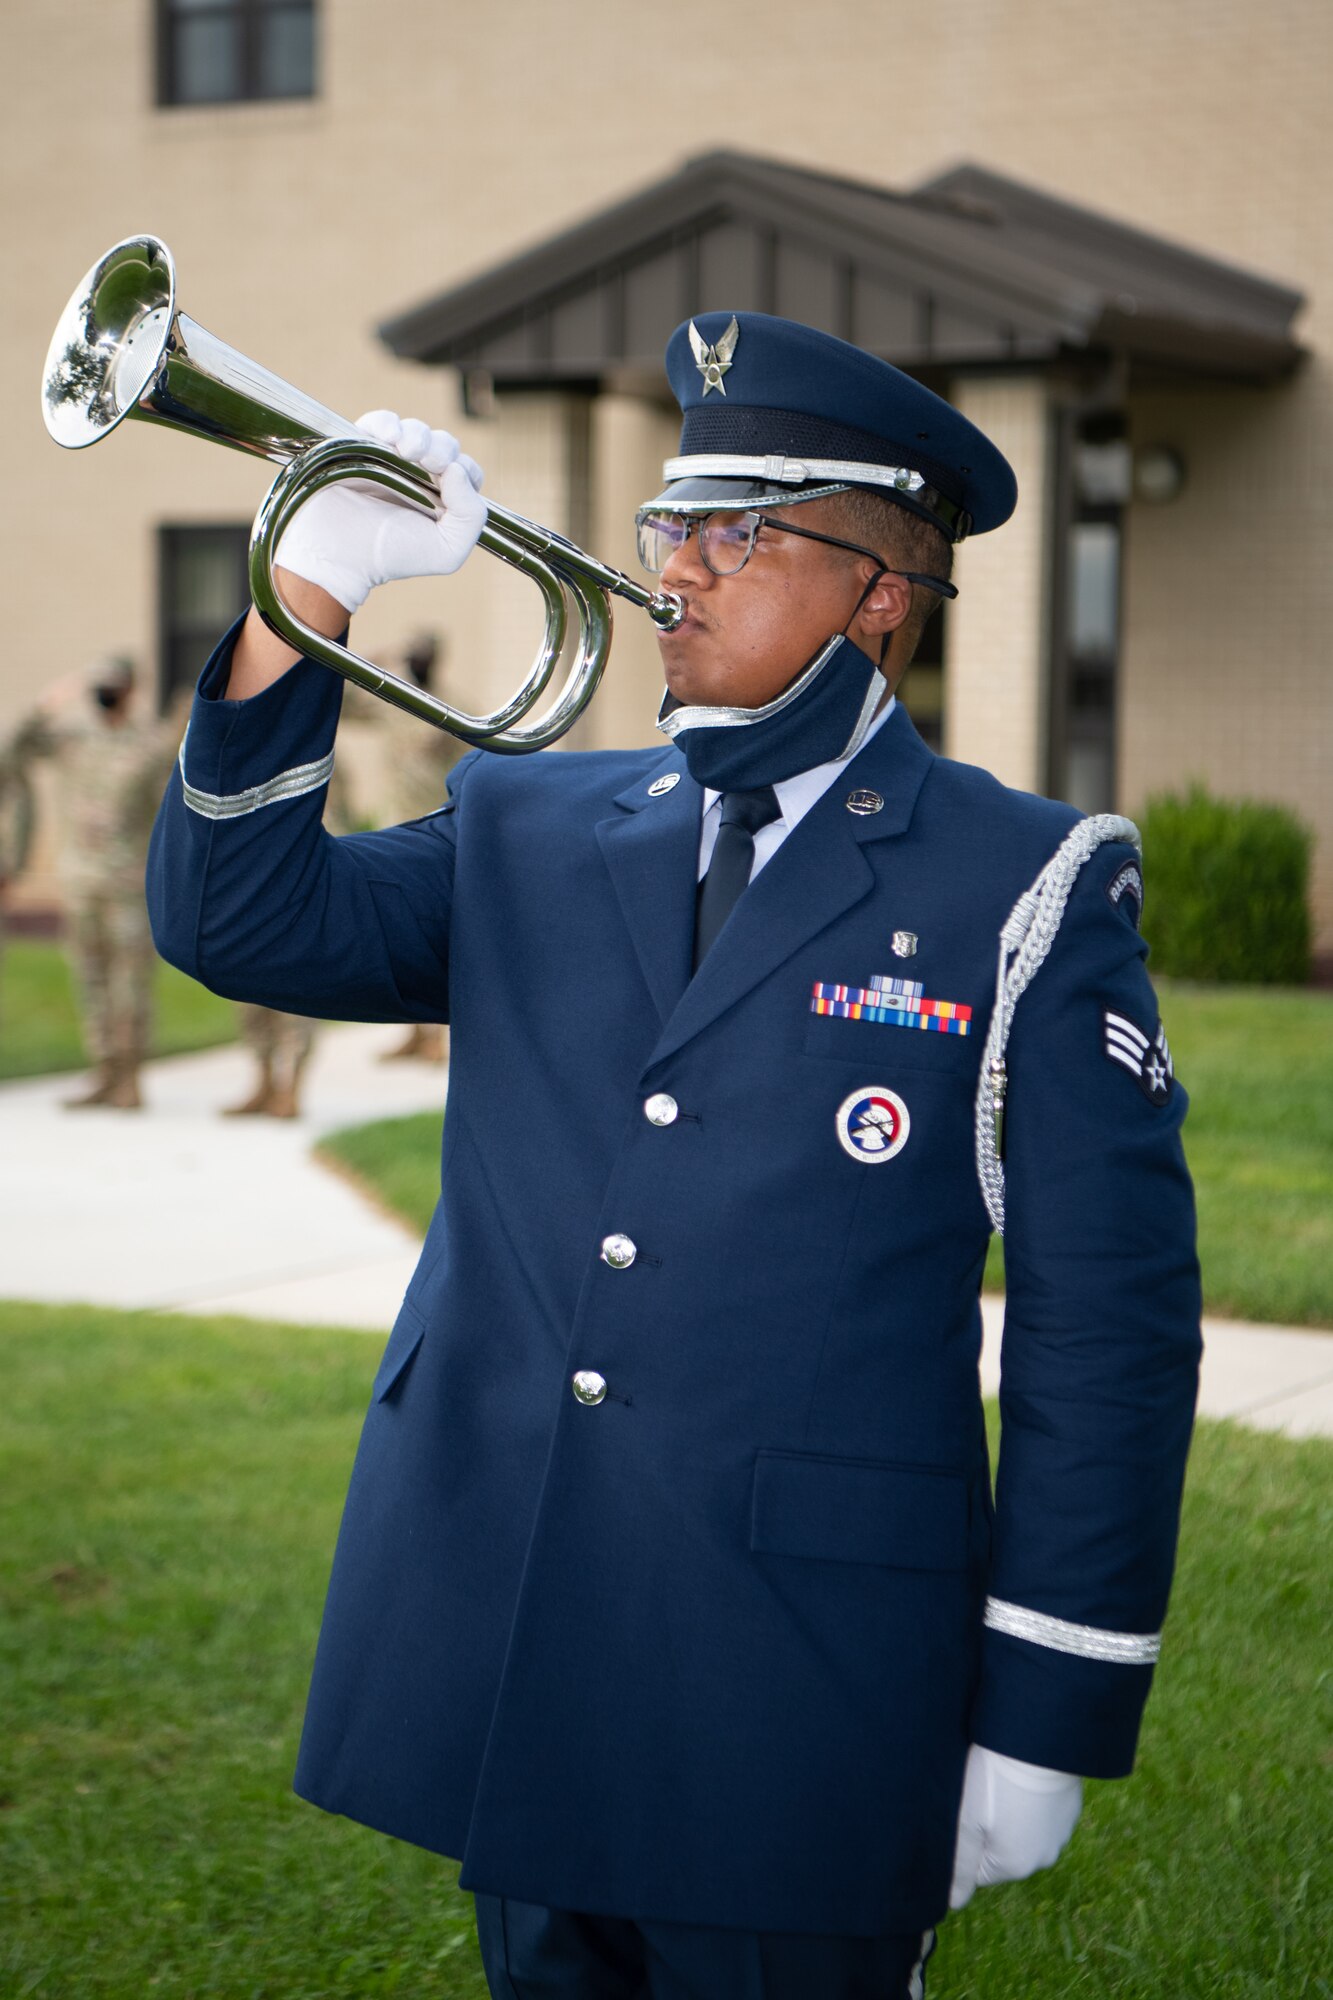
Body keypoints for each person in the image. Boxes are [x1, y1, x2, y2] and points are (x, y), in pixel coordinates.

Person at [147, 323, 1201, 1999]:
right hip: (524, 1630)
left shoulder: (1031, 883)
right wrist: (314, 585)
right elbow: (236, 918)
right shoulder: (527, 825)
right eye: (668, 526)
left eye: (738, 533)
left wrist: (1047, 1704)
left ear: (878, 594)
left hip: (805, 1684)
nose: (674, 572)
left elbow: (1109, 1334)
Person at [17, 656, 173, 1108]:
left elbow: (171, 813)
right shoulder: (74, 741)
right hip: (81, 882)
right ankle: (104, 1073)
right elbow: (14, 749)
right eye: (98, 684)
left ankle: (131, 1078)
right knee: (91, 981)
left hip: (126, 886)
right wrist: (49, 702)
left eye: (112, 684)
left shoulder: (151, 745)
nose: (103, 691)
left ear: (130, 689)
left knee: (130, 984)